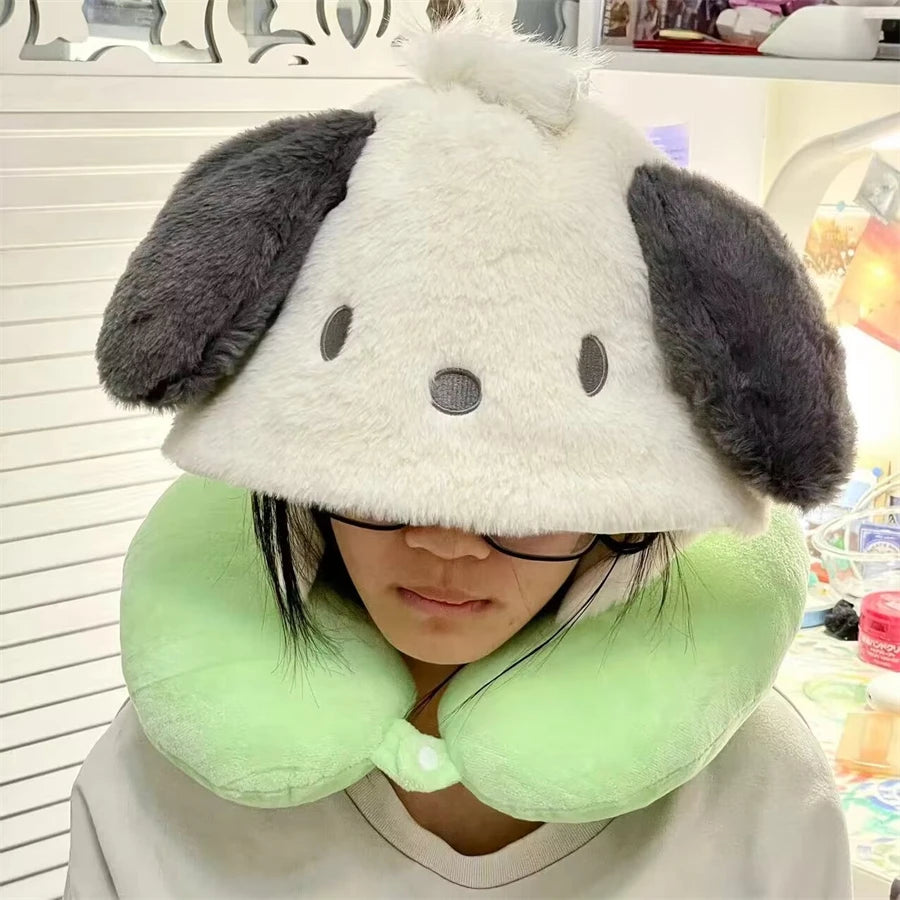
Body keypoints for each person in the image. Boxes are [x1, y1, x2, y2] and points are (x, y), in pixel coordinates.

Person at [66, 17, 856, 899]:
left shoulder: (760, 796)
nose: (446, 543)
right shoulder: (159, 780)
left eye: (522, 498)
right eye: (385, 482)